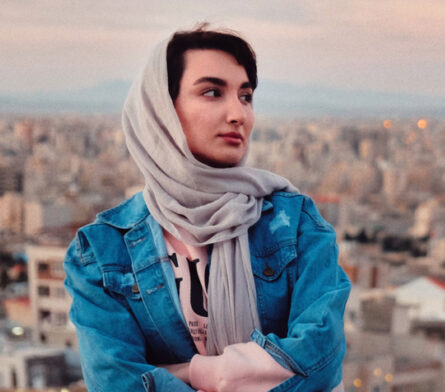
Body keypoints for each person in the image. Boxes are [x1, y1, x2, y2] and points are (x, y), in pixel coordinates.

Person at [64, 24, 351, 392]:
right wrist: (256, 370)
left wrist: (193, 372)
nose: (238, 114)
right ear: (162, 109)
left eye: (245, 96)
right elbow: (115, 381)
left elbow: (320, 360)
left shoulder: (294, 224)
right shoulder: (102, 253)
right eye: (213, 92)